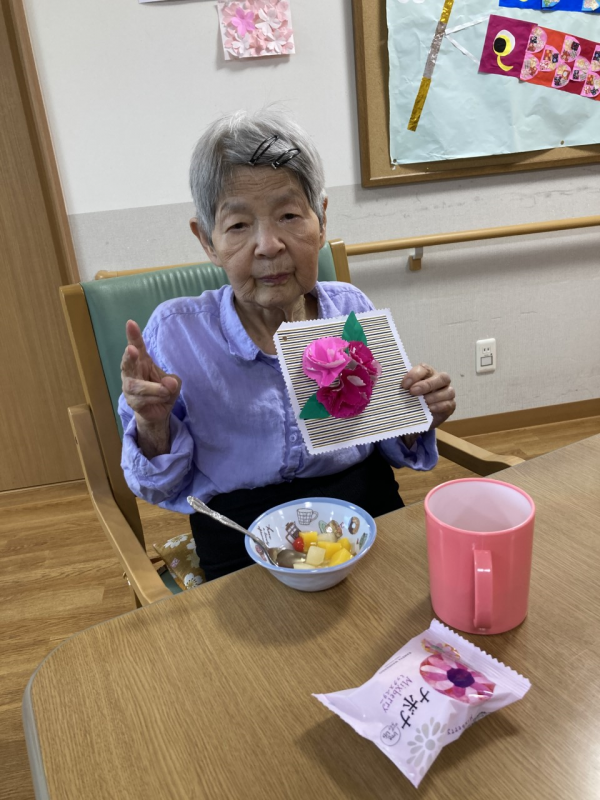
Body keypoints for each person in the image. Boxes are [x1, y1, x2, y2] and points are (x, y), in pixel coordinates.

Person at [119, 110, 456, 581]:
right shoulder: (176, 333)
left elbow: (389, 442)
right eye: (239, 225)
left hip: (363, 511)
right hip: (239, 533)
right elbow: (157, 486)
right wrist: (154, 426)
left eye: (289, 216)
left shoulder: (350, 309)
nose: (269, 245)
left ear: (321, 220)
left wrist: (418, 416)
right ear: (208, 241)